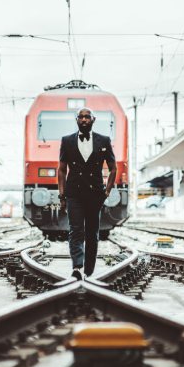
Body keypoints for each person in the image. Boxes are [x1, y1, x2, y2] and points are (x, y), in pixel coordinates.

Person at [58, 108, 117, 281]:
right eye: (81, 117)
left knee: (92, 233)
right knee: (75, 231)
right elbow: (61, 170)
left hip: (95, 194)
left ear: (93, 119)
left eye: (87, 117)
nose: (84, 119)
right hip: (74, 193)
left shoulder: (104, 140)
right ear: (76, 120)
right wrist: (62, 196)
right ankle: (77, 266)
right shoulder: (67, 141)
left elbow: (113, 168)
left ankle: (89, 270)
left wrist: (106, 192)